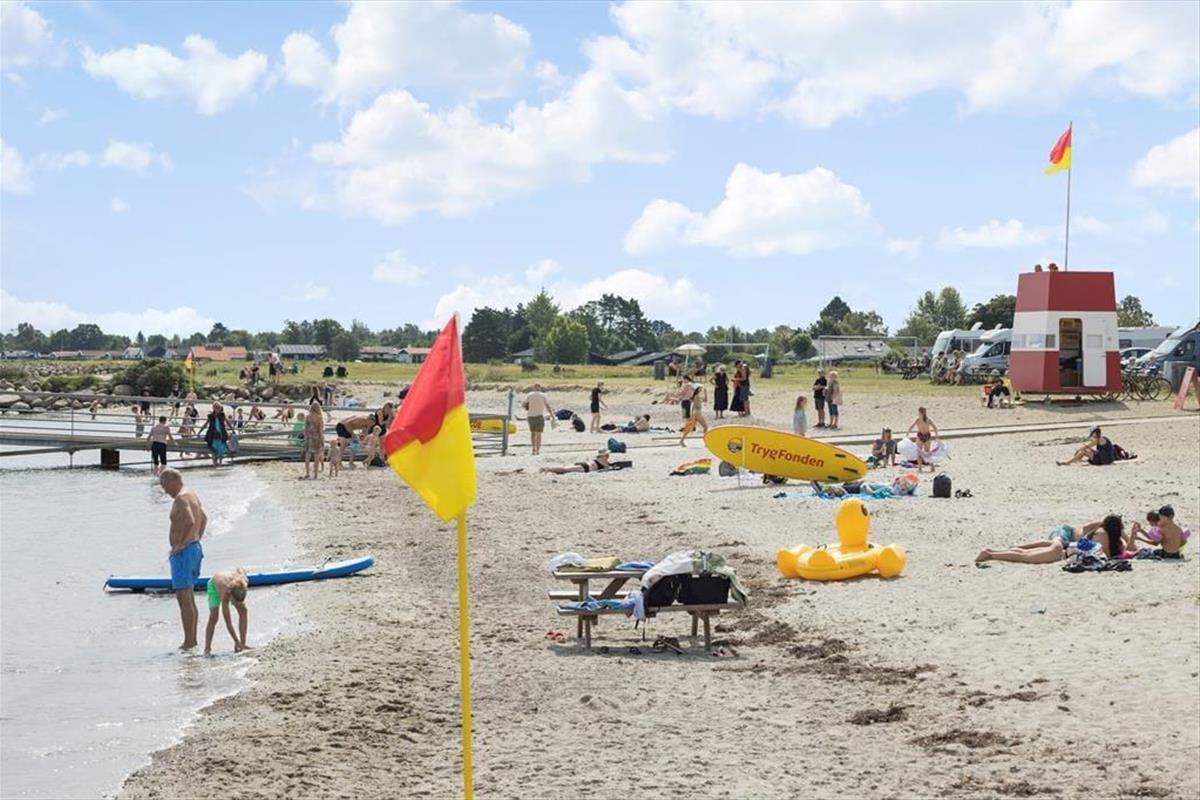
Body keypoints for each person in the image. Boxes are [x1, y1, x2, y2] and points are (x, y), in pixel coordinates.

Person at [160, 468, 207, 649]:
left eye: (164, 486)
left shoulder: (180, 498)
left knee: (184, 599)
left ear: (172, 481)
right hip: (194, 549)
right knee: (190, 598)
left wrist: (181, 544)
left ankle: (189, 642)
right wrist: (196, 539)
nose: (165, 491)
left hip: (184, 553)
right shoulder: (191, 494)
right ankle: (192, 640)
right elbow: (204, 518)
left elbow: (190, 520)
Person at [975, 516, 1123, 564]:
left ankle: (993, 552)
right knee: (1024, 557)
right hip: (1060, 552)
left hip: (1062, 546)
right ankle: (991, 555)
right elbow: (1105, 555)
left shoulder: (1100, 532)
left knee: (1024, 553)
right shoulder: (1107, 538)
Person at [204, 568, 251, 656]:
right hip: (214, 585)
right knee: (214, 617)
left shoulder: (243, 582)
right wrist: (236, 641)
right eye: (235, 602)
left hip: (229, 579)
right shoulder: (225, 594)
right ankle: (207, 649)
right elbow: (228, 623)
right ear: (230, 595)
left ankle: (243, 644)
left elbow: (241, 569)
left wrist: (241, 644)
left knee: (244, 610)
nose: (236, 604)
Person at [523, 384, 555, 455]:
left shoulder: (530, 395)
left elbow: (524, 404)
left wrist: (527, 407)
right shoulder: (543, 395)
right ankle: (537, 450)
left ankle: (533, 449)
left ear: (534, 388)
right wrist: (552, 415)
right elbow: (547, 406)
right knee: (538, 434)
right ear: (540, 388)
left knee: (533, 433)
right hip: (539, 416)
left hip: (530, 416)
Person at [196, 402, 232, 466]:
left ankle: (220, 463)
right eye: (216, 407)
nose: (218, 409)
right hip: (212, 434)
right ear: (213, 408)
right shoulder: (211, 416)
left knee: (221, 448)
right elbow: (206, 424)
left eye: (219, 408)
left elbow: (227, 422)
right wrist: (200, 431)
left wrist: (232, 429)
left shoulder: (222, 415)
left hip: (221, 434)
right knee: (214, 448)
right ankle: (214, 463)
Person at [907, 407, 939, 472]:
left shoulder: (919, 419)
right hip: (926, 436)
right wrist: (936, 435)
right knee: (927, 452)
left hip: (921, 436)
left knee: (920, 452)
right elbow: (935, 427)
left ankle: (920, 468)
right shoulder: (928, 419)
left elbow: (911, 427)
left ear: (920, 413)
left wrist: (908, 433)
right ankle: (931, 467)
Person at [540, 451, 612, 474]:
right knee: (565, 470)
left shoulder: (598, 459)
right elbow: (607, 469)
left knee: (565, 468)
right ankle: (548, 469)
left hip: (584, 464)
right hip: (586, 468)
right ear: (605, 455)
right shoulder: (604, 461)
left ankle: (549, 469)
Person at [303, 401, 324, 479]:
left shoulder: (307, 417)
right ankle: (315, 475)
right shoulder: (319, 418)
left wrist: (305, 439)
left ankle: (307, 473)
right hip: (317, 438)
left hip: (309, 437)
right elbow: (320, 431)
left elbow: (305, 429)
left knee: (307, 457)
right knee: (316, 457)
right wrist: (322, 440)